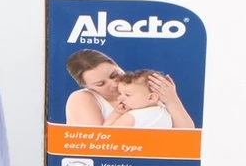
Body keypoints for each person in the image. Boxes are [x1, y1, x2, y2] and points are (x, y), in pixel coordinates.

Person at [63, 50, 194, 127]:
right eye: (101, 84)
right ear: (87, 86)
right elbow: (95, 143)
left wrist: (172, 99)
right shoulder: (82, 98)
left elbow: (187, 135)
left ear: (118, 65)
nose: (114, 84)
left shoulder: (142, 88)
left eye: (115, 75)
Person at [105, 70, 175, 128]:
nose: (120, 98)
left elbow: (106, 134)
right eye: (120, 93)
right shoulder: (166, 111)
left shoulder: (131, 117)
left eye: (127, 95)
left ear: (151, 97)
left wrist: (117, 112)